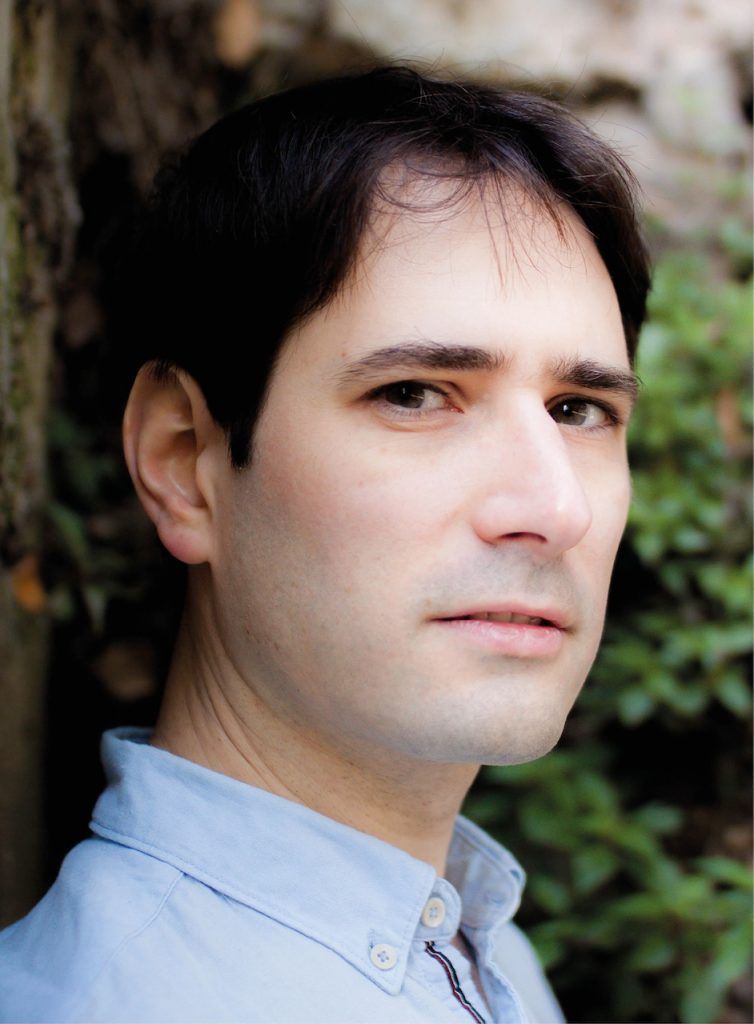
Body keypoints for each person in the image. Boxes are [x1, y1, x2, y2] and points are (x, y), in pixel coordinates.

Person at [0, 65, 650, 1023]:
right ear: (183, 461)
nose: (556, 509)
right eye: (415, 395)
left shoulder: (482, 948)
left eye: (579, 409)